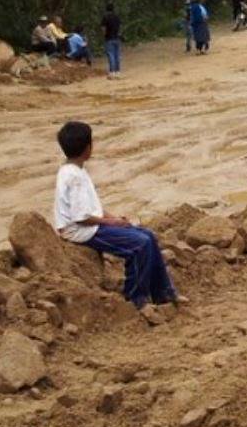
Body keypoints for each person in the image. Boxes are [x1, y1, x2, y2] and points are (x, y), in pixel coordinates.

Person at [51, 121, 179, 316]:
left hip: (88, 225)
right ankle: (136, 299)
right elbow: (81, 217)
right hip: (80, 231)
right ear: (88, 148)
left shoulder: (73, 170)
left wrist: (115, 218)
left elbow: (92, 207)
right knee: (140, 244)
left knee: (148, 236)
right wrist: (113, 223)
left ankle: (164, 293)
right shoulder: (75, 177)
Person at [101, 3, 123, 78]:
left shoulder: (105, 17)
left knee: (111, 55)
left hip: (109, 38)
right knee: (117, 55)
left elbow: (103, 29)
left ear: (106, 9)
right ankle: (118, 72)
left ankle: (112, 71)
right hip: (117, 38)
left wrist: (104, 35)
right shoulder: (117, 17)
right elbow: (120, 27)